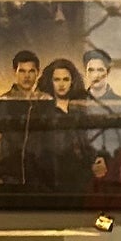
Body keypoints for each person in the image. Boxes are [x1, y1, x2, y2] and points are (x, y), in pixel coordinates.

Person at [27, 58, 92, 195]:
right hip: (50, 182)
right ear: (50, 81)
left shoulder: (81, 110)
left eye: (65, 79)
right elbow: (33, 150)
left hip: (80, 181)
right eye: (57, 79)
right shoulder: (40, 111)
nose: (61, 84)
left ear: (72, 81)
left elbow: (87, 144)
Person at [0, 49, 42, 189]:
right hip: (10, 177)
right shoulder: (3, 103)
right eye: (22, 71)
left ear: (37, 73)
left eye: (31, 71)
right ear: (15, 72)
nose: (27, 76)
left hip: (39, 178)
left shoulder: (43, 102)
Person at [81, 48, 121, 185]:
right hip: (83, 170)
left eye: (100, 70)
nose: (96, 75)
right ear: (85, 73)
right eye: (91, 70)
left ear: (108, 72)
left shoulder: (120, 103)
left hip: (115, 170)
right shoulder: (78, 102)